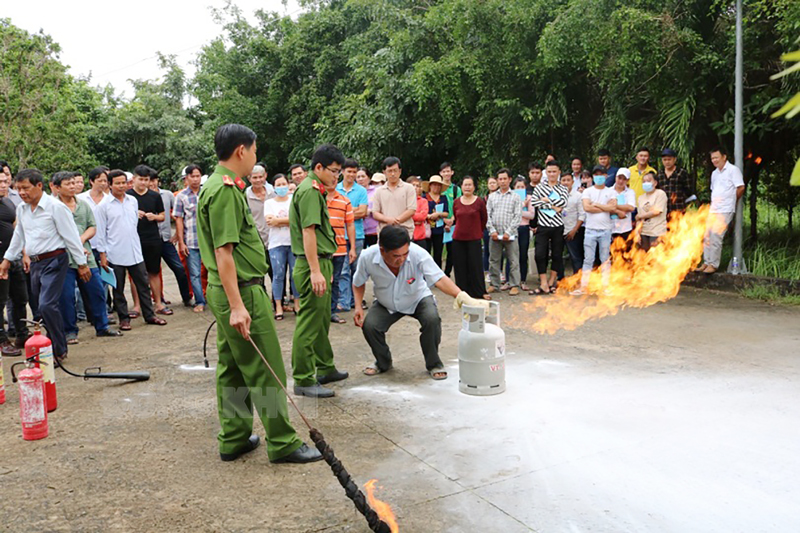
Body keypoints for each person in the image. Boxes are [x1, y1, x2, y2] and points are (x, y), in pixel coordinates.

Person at [197, 123, 321, 464]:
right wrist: (238, 306)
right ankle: (282, 441)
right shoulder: (224, 191)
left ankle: (234, 436)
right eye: (254, 150)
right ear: (241, 150)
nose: (255, 156)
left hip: (228, 291)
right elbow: (223, 252)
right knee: (266, 369)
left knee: (233, 368)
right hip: (242, 292)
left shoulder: (216, 185)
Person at [353, 225, 490, 380]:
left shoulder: (418, 253)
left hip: (417, 298)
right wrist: (358, 306)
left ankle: (434, 363)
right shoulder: (367, 257)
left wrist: (462, 297)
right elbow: (358, 282)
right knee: (370, 326)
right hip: (386, 302)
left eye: (405, 254)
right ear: (382, 250)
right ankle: (382, 362)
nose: (401, 259)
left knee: (432, 319)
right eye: (396, 256)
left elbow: (439, 278)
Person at [0, 169, 92, 363]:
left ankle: (59, 349)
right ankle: (49, 346)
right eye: (19, 188)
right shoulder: (22, 209)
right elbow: (19, 236)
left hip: (55, 260)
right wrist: (7, 260)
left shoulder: (55, 207)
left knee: (47, 305)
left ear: (39, 186)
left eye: (26, 188)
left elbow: (71, 237)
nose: (22, 192)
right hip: (35, 264)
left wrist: (82, 264)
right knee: (41, 309)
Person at [289, 144, 349, 398]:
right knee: (309, 323)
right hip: (311, 263)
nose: (336, 176)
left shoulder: (316, 189)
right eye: (333, 171)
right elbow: (308, 231)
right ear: (319, 167)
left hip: (321, 261)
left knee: (322, 319)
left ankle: (325, 367)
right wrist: (315, 270)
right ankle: (303, 378)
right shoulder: (311, 191)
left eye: (339, 172)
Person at [52, 172, 121, 341]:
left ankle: (102, 326)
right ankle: (70, 331)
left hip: (87, 256)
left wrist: (80, 240)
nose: (72, 187)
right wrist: (74, 245)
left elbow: (92, 226)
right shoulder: (53, 207)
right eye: (68, 184)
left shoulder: (83, 205)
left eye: (73, 183)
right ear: (57, 188)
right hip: (64, 258)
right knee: (66, 297)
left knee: (96, 292)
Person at [95, 170, 168, 330]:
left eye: (124, 182)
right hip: (115, 252)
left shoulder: (132, 201)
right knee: (118, 288)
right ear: (109, 185)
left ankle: (149, 315)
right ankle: (124, 318)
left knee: (143, 285)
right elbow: (100, 232)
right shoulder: (103, 206)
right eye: (117, 183)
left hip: (135, 251)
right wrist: (103, 255)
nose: (121, 186)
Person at [128, 165, 171, 316]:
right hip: (134, 239)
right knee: (136, 275)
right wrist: (134, 214)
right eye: (140, 179)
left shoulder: (154, 196)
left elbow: (163, 216)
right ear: (134, 179)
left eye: (146, 180)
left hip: (152, 239)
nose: (143, 183)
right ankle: (137, 306)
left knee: (154, 272)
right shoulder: (128, 197)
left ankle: (158, 303)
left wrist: (155, 217)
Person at [148, 169, 193, 308]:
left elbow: (178, 214)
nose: (152, 183)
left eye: (154, 180)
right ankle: (158, 299)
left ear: (158, 181)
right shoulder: (142, 197)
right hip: (150, 241)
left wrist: (177, 235)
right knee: (153, 272)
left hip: (166, 240)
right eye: (149, 180)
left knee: (179, 268)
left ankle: (186, 297)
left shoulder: (167, 195)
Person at [697, 147, 745, 274]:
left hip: (725, 209)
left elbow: (740, 187)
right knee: (707, 235)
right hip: (714, 209)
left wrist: (732, 200)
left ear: (724, 157)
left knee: (716, 235)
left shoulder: (733, 170)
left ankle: (713, 264)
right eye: (712, 158)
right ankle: (706, 262)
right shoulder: (714, 173)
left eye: (716, 157)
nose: (714, 160)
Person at [573, 166, 618, 295]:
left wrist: (597, 204)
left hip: (606, 230)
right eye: (596, 174)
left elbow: (613, 207)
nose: (599, 177)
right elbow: (587, 207)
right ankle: (584, 287)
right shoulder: (588, 191)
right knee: (588, 259)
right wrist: (605, 207)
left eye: (601, 174)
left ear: (606, 176)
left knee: (605, 259)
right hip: (590, 230)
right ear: (593, 177)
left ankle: (605, 287)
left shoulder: (611, 192)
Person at [529, 161, 569, 294]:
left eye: (554, 171)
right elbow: (535, 202)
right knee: (540, 254)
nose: (552, 174)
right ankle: (543, 282)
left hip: (558, 226)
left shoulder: (563, 188)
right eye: (549, 172)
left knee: (557, 254)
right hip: (543, 226)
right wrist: (553, 206)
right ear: (546, 173)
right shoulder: (539, 187)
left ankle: (551, 282)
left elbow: (563, 202)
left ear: (559, 172)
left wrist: (546, 200)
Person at [0, 170, 28, 355]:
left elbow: (18, 229)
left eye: (5, 181)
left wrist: (25, 253)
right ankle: (2, 340)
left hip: (14, 258)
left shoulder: (8, 202)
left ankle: (22, 334)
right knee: (0, 301)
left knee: (20, 299)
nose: (4, 185)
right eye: (0, 182)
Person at [335, 158, 368, 312]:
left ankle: (357, 300)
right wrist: (353, 210)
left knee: (357, 269)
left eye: (354, 172)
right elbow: (331, 211)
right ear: (342, 172)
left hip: (358, 235)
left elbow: (363, 212)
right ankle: (344, 301)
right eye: (349, 171)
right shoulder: (335, 188)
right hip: (339, 235)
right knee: (342, 270)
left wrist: (344, 211)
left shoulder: (361, 190)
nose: (352, 175)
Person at [174, 164, 207, 313]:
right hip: (191, 241)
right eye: (192, 176)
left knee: (214, 271)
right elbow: (179, 220)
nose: (195, 179)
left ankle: (215, 298)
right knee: (194, 274)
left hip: (208, 241)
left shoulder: (206, 193)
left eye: (197, 176)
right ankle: (200, 301)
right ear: (186, 178)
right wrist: (181, 242)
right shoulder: (181, 196)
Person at [264, 175, 296, 319]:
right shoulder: (269, 203)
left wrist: (279, 221)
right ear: (274, 187)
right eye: (278, 184)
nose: (282, 187)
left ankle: (297, 304)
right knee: (278, 275)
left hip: (293, 243)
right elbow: (270, 221)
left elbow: (297, 220)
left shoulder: (294, 200)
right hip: (276, 244)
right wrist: (287, 221)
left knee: (295, 275)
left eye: (284, 184)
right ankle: (278, 306)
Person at [486, 168, 522, 296]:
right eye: (500, 179)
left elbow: (517, 216)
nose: (502, 181)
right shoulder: (492, 197)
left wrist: (508, 232)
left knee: (513, 261)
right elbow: (487, 215)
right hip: (495, 235)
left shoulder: (516, 197)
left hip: (510, 235)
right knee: (493, 260)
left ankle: (514, 285)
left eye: (505, 179)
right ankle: (494, 284)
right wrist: (492, 231)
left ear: (510, 179)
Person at [452, 176, 489, 300]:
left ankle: (479, 291)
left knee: (476, 265)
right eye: (465, 185)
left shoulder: (479, 201)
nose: (467, 187)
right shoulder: (456, 202)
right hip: (458, 238)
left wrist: (477, 231)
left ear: (474, 187)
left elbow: (484, 219)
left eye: (470, 185)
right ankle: (461, 292)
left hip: (474, 238)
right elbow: (456, 218)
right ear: (461, 187)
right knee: (460, 266)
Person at [325, 178, 356, 325]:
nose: (332, 181)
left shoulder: (344, 201)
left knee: (336, 281)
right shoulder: (318, 199)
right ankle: (321, 311)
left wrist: (353, 248)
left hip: (340, 248)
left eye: (335, 179)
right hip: (322, 249)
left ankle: (332, 311)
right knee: (323, 280)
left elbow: (350, 225)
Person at [372, 157, 416, 238]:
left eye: (395, 171)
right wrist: (388, 220)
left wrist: (395, 221)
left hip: (405, 232)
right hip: (385, 232)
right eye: (389, 171)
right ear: (384, 172)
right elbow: (375, 213)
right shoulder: (379, 191)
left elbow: (411, 210)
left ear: (400, 171)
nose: (393, 174)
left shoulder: (409, 188)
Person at [245, 164, 276, 256]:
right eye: (255, 178)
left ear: (265, 176)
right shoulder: (245, 196)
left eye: (260, 177)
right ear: (249, 179)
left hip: (274, 239)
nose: (258, 180)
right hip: (256, 240)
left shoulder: (273, 193)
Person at [559, 173, 586, 275]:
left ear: (572, 182)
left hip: (573, 231)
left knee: (575, 257)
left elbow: (582, 215)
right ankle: (560, 278)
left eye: (568, 180)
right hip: (558, 231)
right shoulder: (555, 196)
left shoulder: (578, 196)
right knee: (557, 256)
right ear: (560, 182)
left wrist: (574, 230)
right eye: (563, 180)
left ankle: (577, 279)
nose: (566, 182)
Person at [636, 171, 669, 251]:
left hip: (657, 232)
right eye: (644, 181)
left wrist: (641, 216)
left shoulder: (660, 194)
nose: (646, 183)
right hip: (644, 232)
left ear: (655, 183)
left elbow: (657, 211)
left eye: (648, 181)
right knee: (644, 256)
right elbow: (638, 219)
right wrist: (637, 233)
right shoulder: (640, 198)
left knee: (656, 256)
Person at [513, 177, 534, 291]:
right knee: (511, 255)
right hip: (512, 228)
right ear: (514, 188)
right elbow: (509, 213)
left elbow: (531, 215)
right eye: (518, 187)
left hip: (524, 228)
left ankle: (523, 280)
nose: (520, 189)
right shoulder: (511, 197)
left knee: (523, 254)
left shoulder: (529, 198)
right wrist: (522, 206)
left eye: (522, 187)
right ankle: (511, 280)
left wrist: (519, 211)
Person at [439, 162, 460, 277]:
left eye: (448, 171)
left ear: (452, 172)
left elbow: (459, 206)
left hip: (453, 223)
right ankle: (437, 274)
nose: (446, 173)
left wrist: (452, 219)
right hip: (439, 222)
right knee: (438, 249)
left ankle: (447, 273)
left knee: (452, 250)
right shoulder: (438, 188)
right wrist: (444, 220)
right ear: (440, 173)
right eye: (444, 171)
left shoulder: (456, 189)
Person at [658, 148, 695, 213]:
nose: (667, 162)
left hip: (679, 208)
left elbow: (689, 190)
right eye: (665, 160)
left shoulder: (682, 173)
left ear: (675, 159)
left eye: (669, 159)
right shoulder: (659, 174)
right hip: (663, 209)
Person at [425, 175, 450, 267]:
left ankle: (438, 272)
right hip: (427, 229)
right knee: (426, 252)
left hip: (439, 229)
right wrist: (429, 216)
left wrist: (438, 214)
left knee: (438, 253)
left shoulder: (443, 198)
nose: (436, 187)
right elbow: (420, 212)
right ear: (430, 186)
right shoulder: (424, 197)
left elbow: (446, 213)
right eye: (434, 185)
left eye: (438, 185)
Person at [610, 168, 636, 249]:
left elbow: (631, 207)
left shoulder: (630, 192)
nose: (621, 181)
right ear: (615, 177)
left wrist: (615, 205)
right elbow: (606, 207)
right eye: (619, 178)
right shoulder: (608, 191)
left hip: (626, 228)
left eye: (624, 179)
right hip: (611, 228)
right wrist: (619, 211)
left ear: (627, 180)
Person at [408, 176, 430, 251]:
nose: (415, 188)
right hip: (408, 235)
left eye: (417, 186)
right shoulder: (404, 200)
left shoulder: (423, 201)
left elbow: (423, 216)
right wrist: (415, 218)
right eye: (413, 185)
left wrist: (409, 217)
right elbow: (401, 215)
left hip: (420, 236)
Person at [362, 169, 382, 248]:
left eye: (363, 176)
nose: (361, 179)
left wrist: (371, 211)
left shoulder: (376, 191)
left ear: (368, 178)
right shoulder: (353, 191)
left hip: (374, 229)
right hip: (359, 231)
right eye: (358, 177)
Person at [483, 175, 498, 273]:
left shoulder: (501, 197)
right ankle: (487, 271)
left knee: (498, 251)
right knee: (487, 250)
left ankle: (498, 271)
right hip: (486, 227)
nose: (492, 185)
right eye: (490, 183)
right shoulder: (483, 199)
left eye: (494, 183)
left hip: (498, 227)